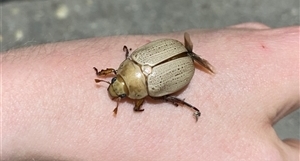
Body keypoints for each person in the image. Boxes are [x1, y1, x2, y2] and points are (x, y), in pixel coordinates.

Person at [2, 23, 299, 161]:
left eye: (116, 84)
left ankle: (183, 104)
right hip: (154, 59)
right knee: (163, 94)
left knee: (166, 97)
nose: (116, 88)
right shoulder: (129, 66)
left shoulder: (142, 93)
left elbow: (140, 101)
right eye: (117, 86)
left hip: (166, 67)